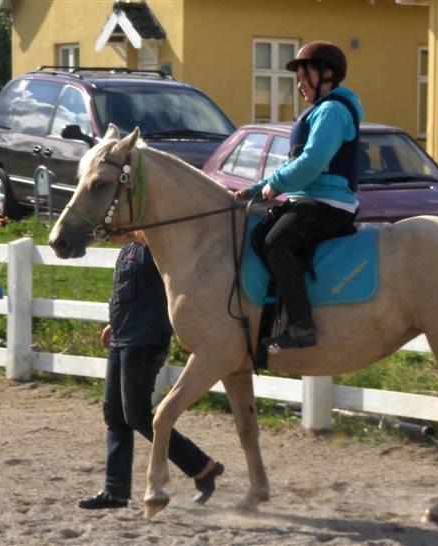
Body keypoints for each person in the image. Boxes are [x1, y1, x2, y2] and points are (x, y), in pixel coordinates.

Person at [79, 231, 224, 509]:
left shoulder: (161, 245)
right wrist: (114, 323)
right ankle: (116, 491)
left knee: (136, 415)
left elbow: (171, 292)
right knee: (115, 415)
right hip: (124, 337)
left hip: (145, 340)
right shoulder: (128, 250)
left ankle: (201, 466)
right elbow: (128, 293)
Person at [234, 41, 364, 351]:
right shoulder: (320, 111)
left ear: (327, 74)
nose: (299, 84)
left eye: (305, 77)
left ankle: (302, 326)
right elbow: (295, 165)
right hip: (310, 198)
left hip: (328, 203)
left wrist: (276, 185)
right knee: (261, 234)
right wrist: (254, 190)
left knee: (275, 243)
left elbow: (312, 163)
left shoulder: (332, 111)